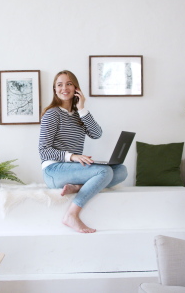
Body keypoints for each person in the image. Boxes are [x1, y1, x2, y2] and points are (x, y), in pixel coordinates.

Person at [38, 70, 128, 233]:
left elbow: (96, 134)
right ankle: (71, 215)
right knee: (104, 172)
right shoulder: (52, 114)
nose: (64, 88)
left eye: (69, 84)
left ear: (76, 88)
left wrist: (82, 108)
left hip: (72, 170)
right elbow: (44, 151)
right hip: (54, 171)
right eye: (59, 85)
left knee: (121, 171)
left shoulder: (79, 114)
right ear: (54, 89)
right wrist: (72, 156)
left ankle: (77, 187)